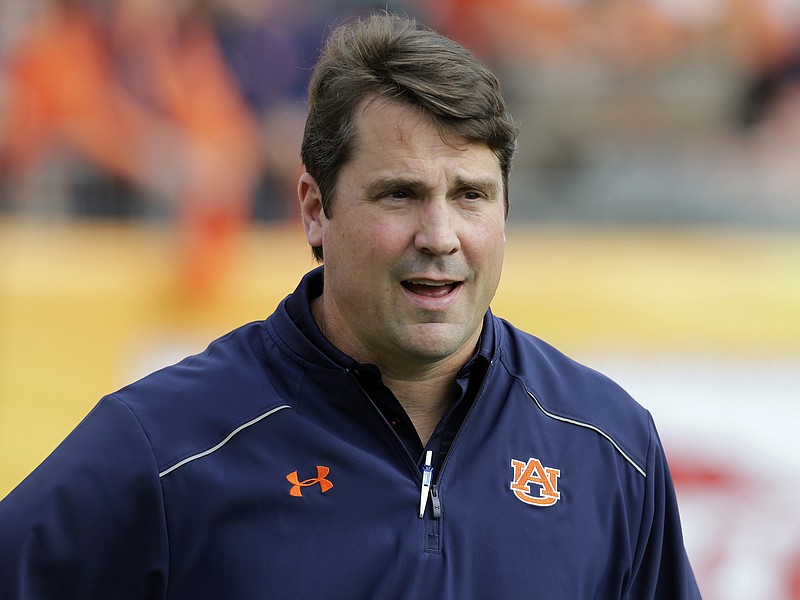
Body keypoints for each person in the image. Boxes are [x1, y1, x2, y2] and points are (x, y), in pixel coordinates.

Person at [0, 12, 702, 599]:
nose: (439, 237)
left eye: (471, 195)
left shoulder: (609, 446)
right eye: (399, 194)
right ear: (314, 209)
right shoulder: (164, 447)